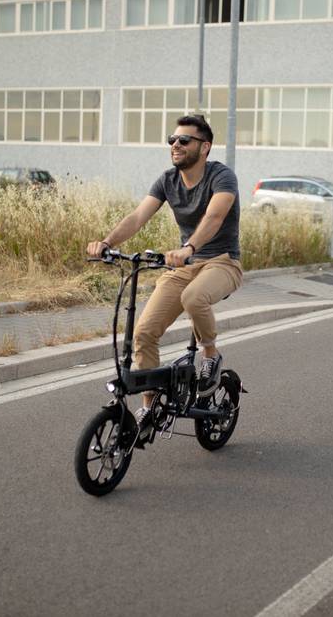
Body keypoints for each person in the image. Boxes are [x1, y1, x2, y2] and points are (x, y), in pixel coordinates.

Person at [86, 115, 243, 436]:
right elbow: (137, 216)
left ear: (204, 147)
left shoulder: (222, 176)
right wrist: (106, 243)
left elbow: (215, 216)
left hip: (223, 262)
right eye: (172, 139)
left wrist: (190, 247)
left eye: (184, 140)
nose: (175, 145)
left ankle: (210, 354)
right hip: (185, 266)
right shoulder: (167, 180)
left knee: (194, 297)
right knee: (143, 332)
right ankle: (149, 404)